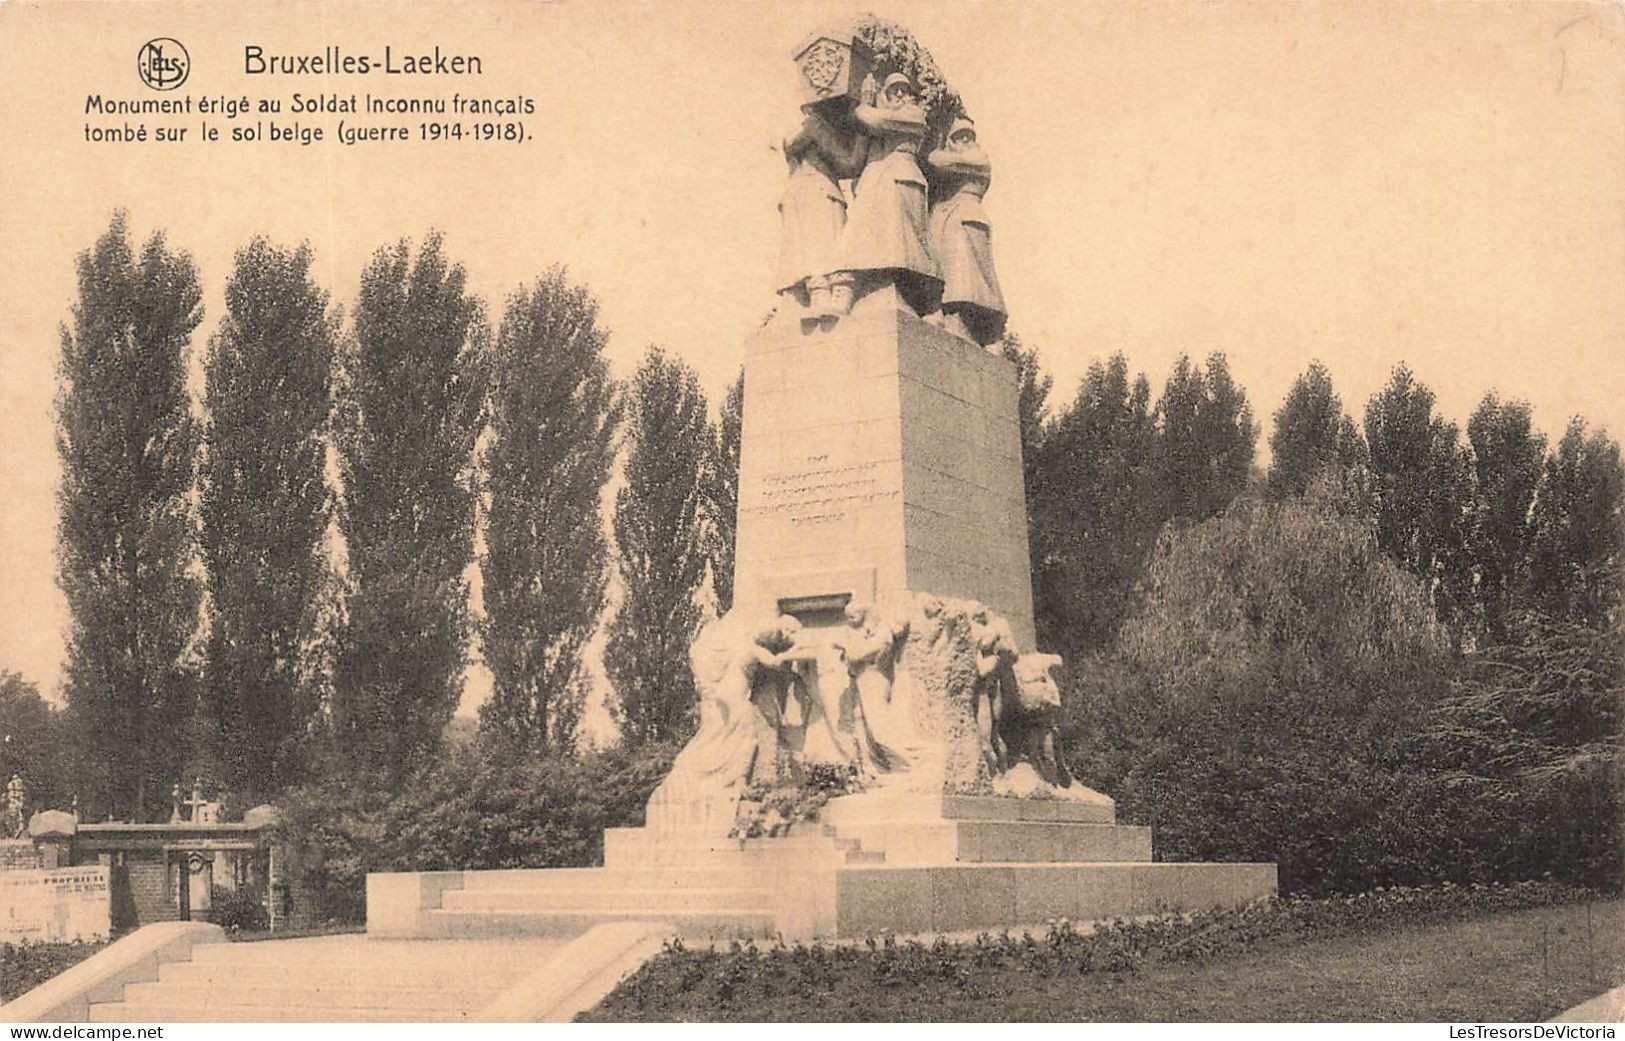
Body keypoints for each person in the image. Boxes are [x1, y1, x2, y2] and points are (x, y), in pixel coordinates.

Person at [830, 73, 942, 317]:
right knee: (858, 233)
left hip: (901, 177)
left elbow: (873, 119)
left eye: (904, 90)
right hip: (875, 180)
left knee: (907, 244)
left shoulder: (913, 115)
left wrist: (865, 103)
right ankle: (846, 290)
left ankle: (929, 303)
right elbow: (855, 160)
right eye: (893, 90)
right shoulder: (874, 128)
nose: (899, 95)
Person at [776, 103, 866, 319]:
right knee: (815, 248)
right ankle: (818, 293)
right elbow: (791, 144)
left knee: (828, 248)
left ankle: (827, 295)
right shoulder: (811, 127)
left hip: (820, 190)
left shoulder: (819, 129)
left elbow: (850, 164)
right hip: (810, 191)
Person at [927, 116, 1007, 346]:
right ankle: (955, 316)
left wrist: (941, 146)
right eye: (958, 136)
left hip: (967, 217)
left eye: (967, 136)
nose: (964, 140)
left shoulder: (978, 158)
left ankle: (979, 326)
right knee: (953, 271)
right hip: (947, 218)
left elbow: (937, 160)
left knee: (971, 275)